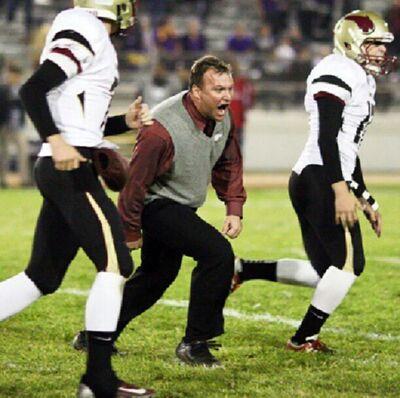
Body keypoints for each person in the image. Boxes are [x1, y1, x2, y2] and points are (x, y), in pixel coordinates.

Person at [0, 1, 155, 397]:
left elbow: (76, 111)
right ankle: (98, 381)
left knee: (42, 277)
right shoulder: (84, 25)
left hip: (67, 162)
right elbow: (33, 89)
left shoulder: (89, 32)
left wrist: (124, 123)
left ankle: (98, 380)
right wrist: (56, 140)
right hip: (68, 166)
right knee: (117, 264)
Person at [231, 10, 396, 352]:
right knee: (350, 266)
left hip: (322, 175)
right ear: (351, 42)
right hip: (320, 177)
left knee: (327, 273)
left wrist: (365, 197)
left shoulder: (361, 76)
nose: (380, 51)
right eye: (374, 43)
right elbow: (327, 137)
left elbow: (349, 147)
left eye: (383, 44)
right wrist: (340, 190)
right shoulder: (337, 69)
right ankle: (302, 338)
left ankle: (243, 269)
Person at [74, 55, 247, 367]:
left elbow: (228, 161)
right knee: (218, 254)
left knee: (157, 276)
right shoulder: (162, 127)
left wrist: (233, 206)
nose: (226, 96)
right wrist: (128, 231)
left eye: (229, 88)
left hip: (181, 206)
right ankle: (194, 344)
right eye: (217, 89)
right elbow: (134, 183)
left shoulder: (225, 118)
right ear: (195, 92)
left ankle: (96, 333)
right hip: (157, 206)